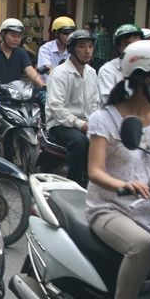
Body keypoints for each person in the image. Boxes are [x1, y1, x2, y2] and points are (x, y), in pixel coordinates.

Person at [86, 40, 150, 299]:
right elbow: (94, 171)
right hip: (110, 207)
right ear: (142, 76)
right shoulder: (105, 118)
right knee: (144, 245)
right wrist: (124, 185)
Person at [45, 30, 98, 187]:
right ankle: (74, 183)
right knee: (80, 142)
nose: (87, 51)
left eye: (90, 46)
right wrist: (80, 124)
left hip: (85, 122)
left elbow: (95, 102)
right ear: (72, 49)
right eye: (82, 46)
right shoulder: (60, 73)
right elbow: (56, 107)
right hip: (60, 124)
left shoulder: (92, 72)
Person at [0, 18, 46, 91]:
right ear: (3, 34)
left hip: (16, 94)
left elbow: (29, 70)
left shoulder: (21, 53)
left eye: (19, 36)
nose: (16, 39)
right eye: (13, 36)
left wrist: (42, 84)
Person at [97, 24, 143, 105]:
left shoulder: (147, 68)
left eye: (137, 44)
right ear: (118, 48)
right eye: (127, 45)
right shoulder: (107, 70)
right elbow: (110, 103)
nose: (133, 49)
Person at [37, 16, 76, 81]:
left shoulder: (73, 50)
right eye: (65, 33)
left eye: (72, 33)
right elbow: (47, 69)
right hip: (47, 86)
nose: (69, 36)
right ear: (56, 33)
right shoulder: (46, 48)